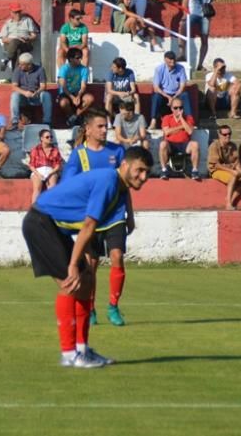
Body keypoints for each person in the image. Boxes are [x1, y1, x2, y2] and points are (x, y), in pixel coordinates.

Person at [22, 146, 153, 368]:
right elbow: (89, 224)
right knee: (70, 284)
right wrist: (73, 264)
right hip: (40, 223)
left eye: (147, 173)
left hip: (54, 226)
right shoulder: (109, 182)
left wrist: (85, 256)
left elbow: (85, 221)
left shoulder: (118, 187)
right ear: (125, 165)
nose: (143, 177)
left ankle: (82, 350)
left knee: (87, 282)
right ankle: (68, 354)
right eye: (139, 170)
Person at [59, 109, 128, 325]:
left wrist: (131, 215)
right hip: (91, 218)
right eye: (99, 126)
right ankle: (90, 308)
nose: (104, 130)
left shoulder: (117, 152)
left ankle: (113, 307)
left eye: (105, 126)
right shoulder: (79, 155)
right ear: (87, 129)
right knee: (91, 264)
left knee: (117, 256)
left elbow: (125, 185)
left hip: (116, 214)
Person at [180, 0, 224, 71]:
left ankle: (200, 64)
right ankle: (182, 54)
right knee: (183, 30)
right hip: (192, 13)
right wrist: (184, 13)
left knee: (204, 39)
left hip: (205, 15)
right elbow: (185, 0)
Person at [208, 124, 241, 210]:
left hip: (230, 168)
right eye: (225, 134)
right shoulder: (214, 145)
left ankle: (231, 199)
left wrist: (240, 171)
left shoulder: (233, 145)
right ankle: (228, 203)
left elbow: (237, 162)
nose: (227, 136)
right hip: (216, 170)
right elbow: (216, 165)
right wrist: (233, 171)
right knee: (233, 176)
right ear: (219, 135)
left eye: (229, 134)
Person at [158, 99, 201, 181]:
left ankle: (195, 171)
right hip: (170, 144)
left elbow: (190, 131)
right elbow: (167, 132)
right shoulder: (167, 118)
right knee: (162, 144)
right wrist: (181, 127)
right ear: (171, 109)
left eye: (180, 108)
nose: (178, 110)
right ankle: (164, 170)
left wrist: (181, 119)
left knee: (195, 144)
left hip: (185, 144)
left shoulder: (188, 118)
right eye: (176, 108)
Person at [149, 51, 193, 130]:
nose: (172, 61)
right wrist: (168, 97)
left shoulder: (181, 68)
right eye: (170, 59)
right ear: (165, 59)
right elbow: (156, 87)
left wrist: (174, 97)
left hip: (176, 94)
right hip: (164, 95)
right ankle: (153, 121)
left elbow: (182, 86)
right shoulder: (159, 69)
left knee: (185, 95)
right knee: (156, 96)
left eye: (174, 59)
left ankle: (190, 121)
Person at [11, 52, 52, 128]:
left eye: (22, 64)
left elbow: (43, 86)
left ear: (29, 65)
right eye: (20, 63)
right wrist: (25, 93)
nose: (20, 65)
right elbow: (14, 86)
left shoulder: (40, 70)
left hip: (36, 96)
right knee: (14, 95)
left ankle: (47, 122)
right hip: (23, 96)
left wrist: (37, 92)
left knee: (46, 95)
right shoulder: (17, 70)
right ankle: (14, 121)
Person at [56, 48, 93, 128]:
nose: (80, 59)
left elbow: (83, 86)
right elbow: (64, 86)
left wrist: (78, 96)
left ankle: (75, 116)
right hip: (66, 93)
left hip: (78, 92)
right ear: (70, 59)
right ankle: (71, 117)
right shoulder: (64, 69)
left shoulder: (84, 69)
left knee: (90, 99)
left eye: (81, 57)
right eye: (77, 58)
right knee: (63, 103)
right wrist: (72, 97)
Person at [0, 2, 38, 71]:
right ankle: (16, 75)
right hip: (10, 45)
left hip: (25, 43)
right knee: (17, 47)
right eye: (15, 12)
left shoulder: (27, 20)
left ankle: (7, 59)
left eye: (19, 12)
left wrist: (28, 38)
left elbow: (34, 35)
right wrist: (16, 39)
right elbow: (4, 39)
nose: (18, 14)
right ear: (11, 13)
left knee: (17, 45)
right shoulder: (8, 23)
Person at [29, 128, 63, 203]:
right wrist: (38, 174)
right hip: (38, 170)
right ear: (41, 138)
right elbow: (31, 165)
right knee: (37, 189)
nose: (50, 138)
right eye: (47, 137)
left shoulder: (55, 150)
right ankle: (34, 210)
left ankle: (50, 209)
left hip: (51, 170)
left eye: (51, 137)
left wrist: (50, 173)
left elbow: (58, 165)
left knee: (52, 188)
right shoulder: (35, 149)